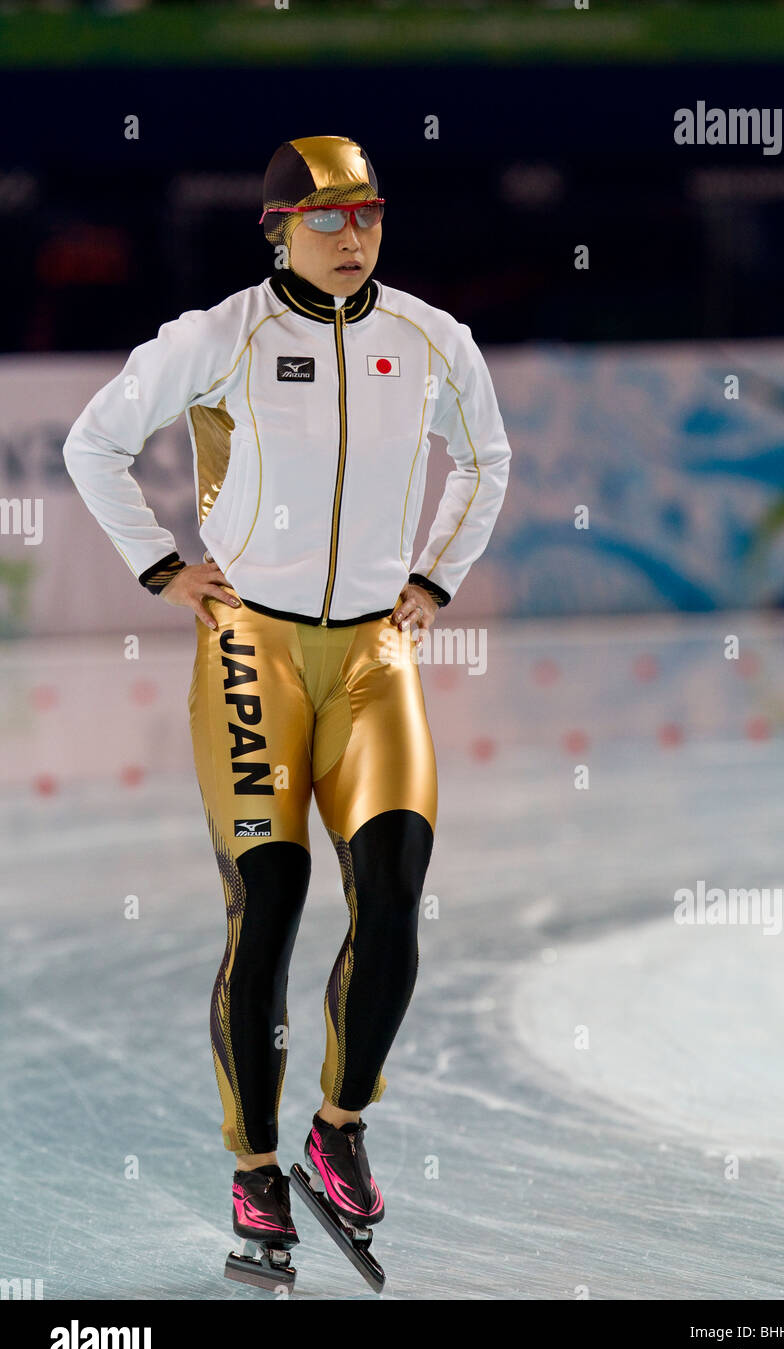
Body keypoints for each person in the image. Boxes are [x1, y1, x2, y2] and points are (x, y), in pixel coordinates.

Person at [63, 134, 511, 1257]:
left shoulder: (430, 338)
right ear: (277, 228)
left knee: (394, 895)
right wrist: (161, 565)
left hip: (373, 658)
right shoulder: (221, 336)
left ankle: (338, 1128)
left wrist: (431, 576)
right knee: (267, 903)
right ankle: (254, 1165)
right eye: (328, 218)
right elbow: (93, 440)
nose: (353, 235)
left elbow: (486, 456)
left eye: (367, 214)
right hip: (250, 651)